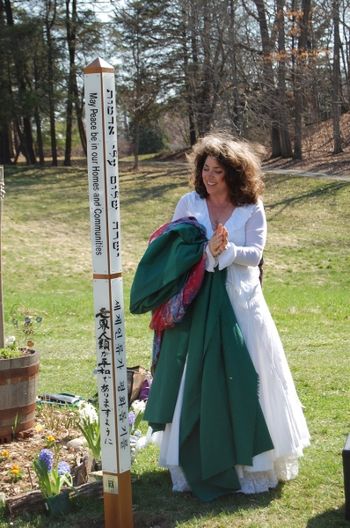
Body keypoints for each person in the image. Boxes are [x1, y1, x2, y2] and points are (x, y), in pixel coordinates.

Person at [130, 132, 310, 501]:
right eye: (205, 169)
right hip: (197, 304)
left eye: (218, 171)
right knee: (194, 379)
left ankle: (252, 465)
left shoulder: (250, 206)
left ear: (235, 174)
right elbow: (172, 250)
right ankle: (193, 458)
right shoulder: (189, 203)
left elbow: (255, 254)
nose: (209, 177)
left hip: (242, 303)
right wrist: (203, 252)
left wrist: (225, 251)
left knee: (248, 373)